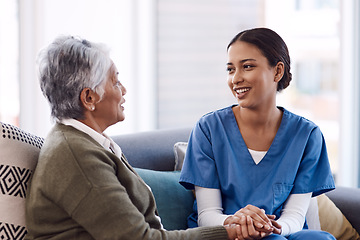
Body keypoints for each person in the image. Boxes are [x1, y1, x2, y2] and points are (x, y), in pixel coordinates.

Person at [25, 35, 243, 240]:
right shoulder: (76, 157)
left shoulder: (85, 144)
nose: (124, 90)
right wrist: (227, 233)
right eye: (116, 82)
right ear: (89, 97)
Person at [179, 28, 336, 240]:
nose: (236, 78)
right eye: (230, 69)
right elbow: (207, 215)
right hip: (225, 231)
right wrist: (240, 222)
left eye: (247, 67)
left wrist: (269, 228)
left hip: (281, 231)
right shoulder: (209, 129)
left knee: (320, 238)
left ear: (277, 71)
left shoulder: (307, 136)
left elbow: (295, 216)